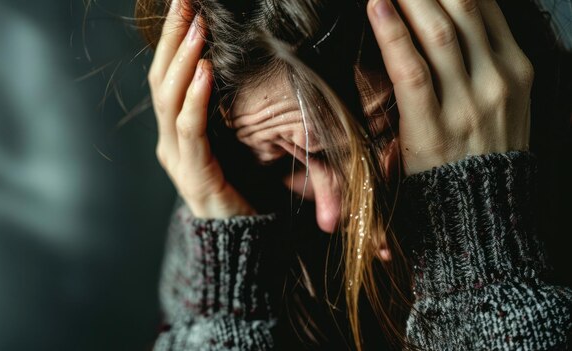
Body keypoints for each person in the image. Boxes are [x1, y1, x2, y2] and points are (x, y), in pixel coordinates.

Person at [137, 0, 572, 349]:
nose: (330, 213)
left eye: (380, 133)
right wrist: (224, 302)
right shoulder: (249, 201)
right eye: (285, 164)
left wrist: (479, 254)